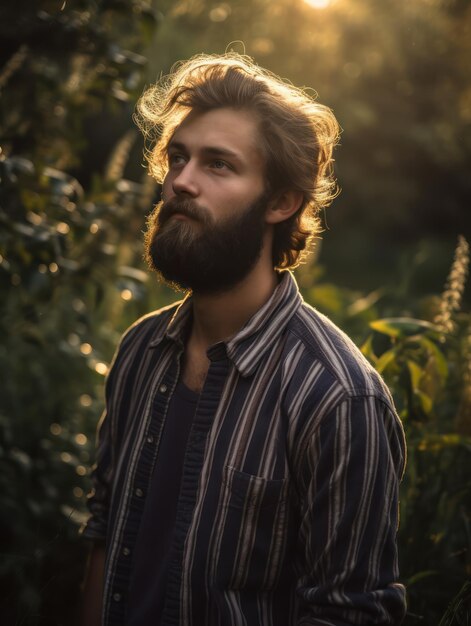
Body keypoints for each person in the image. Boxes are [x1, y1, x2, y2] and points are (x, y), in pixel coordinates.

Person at [81, 53, 407, 626]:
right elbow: (105, 532)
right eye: (177, 158)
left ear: (281, 202)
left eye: (219, 165)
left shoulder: (337, 399)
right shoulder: (139, 351)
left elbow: (348, 612)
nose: (180, 181)